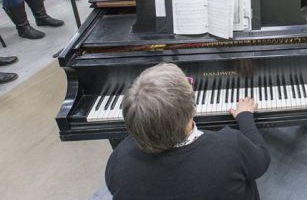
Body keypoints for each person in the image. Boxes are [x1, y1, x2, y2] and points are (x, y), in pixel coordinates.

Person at [105, 63, 270, 200]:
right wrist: (245, 117)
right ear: (191, 111)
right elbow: (262, 161)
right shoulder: (231, 147)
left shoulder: (119, 160)